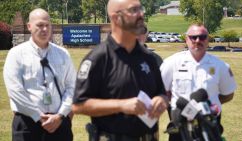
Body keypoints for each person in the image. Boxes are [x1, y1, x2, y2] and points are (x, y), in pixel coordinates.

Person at [72, 0, 168, 140]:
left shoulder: (149, 58)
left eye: (140, 9)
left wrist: (161, 100)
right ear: (115, 17)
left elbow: (161, 93)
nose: (141, 14)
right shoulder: (98, 58)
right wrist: (121, 105)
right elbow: (78, 105)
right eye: (133, 10)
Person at [3, 8, 76, 141]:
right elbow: (15, 91)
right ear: (29, 26)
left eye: (47, 25)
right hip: (27, 124)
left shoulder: (63, 54)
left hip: (58, 123)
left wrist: (60, 115)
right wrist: (38, 116)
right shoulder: (16, 54)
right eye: (40, 25)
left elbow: (72, 87)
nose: (44, 29)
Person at [160, 23, 237, 141]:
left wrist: (209, 104)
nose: (197, 40)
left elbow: (228, 94)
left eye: (202, 37)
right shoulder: (171, 63)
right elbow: (163, 91)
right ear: (186, 39)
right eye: (193, 37)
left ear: (208, 40)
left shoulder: (221, 66)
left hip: (210, 126)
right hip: (180, 126)